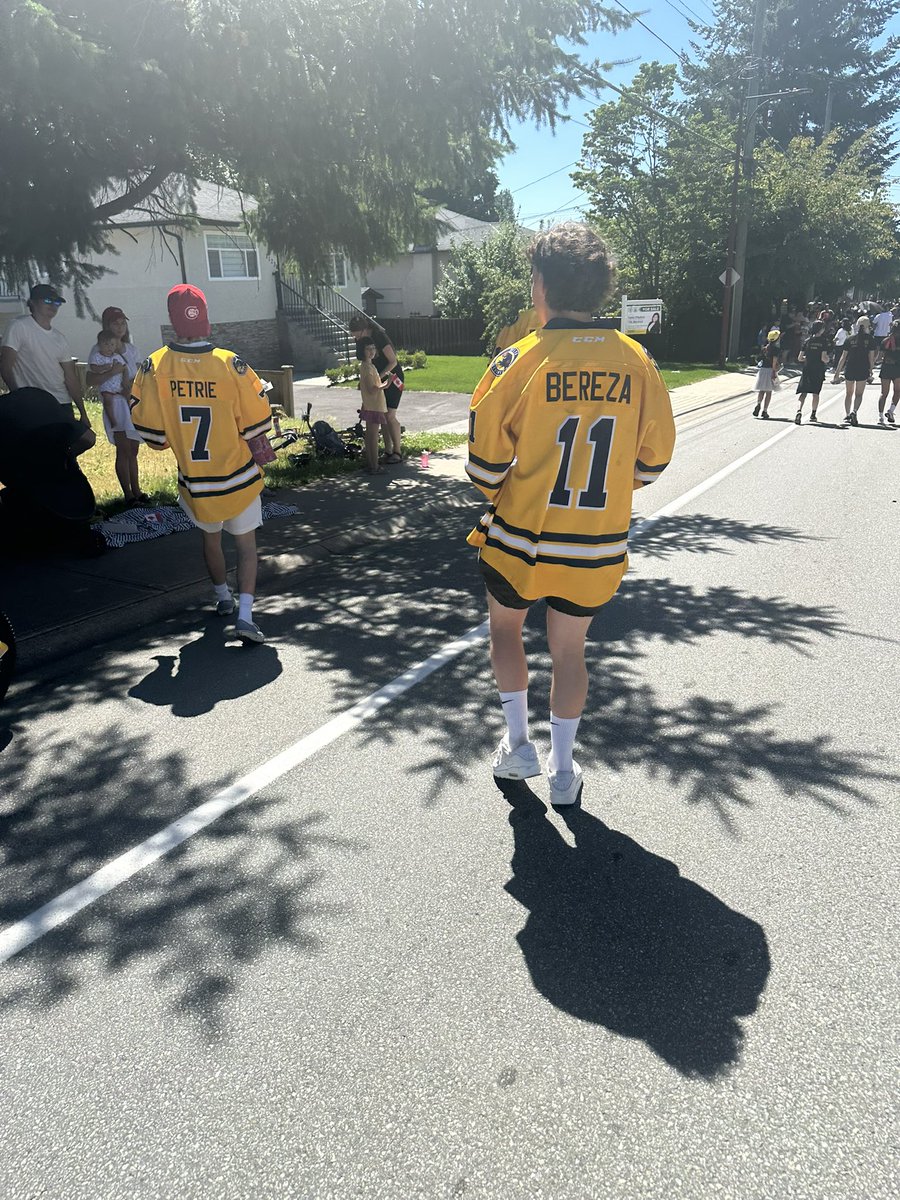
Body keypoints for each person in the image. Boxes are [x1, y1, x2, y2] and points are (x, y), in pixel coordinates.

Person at [466, 222, 675, 807]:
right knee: (569, 651)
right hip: (595, 543)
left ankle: (517, 745)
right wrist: (612, 488)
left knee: (505, 630)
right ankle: (564, 772)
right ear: (601, 290)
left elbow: (484, 467)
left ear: (540, 284)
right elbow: (653, 460)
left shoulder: (517, 360)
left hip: (520, 539)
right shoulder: (637, 361)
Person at [130, 284, 273, 643]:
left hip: (197, 481)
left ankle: (222, 598)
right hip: (237, 476)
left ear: (173, 321)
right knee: (246, 548)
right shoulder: (230, 363)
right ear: (206, 318)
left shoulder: (154, 366)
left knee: (210, 540)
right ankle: (244, 616)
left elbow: (154, 437)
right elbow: (257, 422)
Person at [0, 284, 95, 456]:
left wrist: (82, 410)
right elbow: (6, 365)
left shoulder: (59, 338)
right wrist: (19, 396)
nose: (53, 306)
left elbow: (70, 377)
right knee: (42, 448)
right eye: (48, 301)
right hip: (34, 401)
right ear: (33, 303)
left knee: (87, 438)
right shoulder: (19, 326)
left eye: (57, 303)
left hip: (62, 402)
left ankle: (63, 463)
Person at [89, 328, 145, 502]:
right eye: (115, 322)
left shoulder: (127, 350)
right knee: (123, 448)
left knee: (133, 449)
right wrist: (111, 371)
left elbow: (134, 372)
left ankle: (137, 491)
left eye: (122, 322)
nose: (120, 326)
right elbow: (90, 379)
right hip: (113, 400)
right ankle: (127, 493)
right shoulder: (97, 352)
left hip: (129, 399)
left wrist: (128, 386)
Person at [348, 314, 404, 464]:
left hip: (393, 378)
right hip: (377, 378)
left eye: (356, 335)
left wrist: (378, 377)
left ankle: (397, 452)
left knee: (390, 416)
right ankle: (388, 450)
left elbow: (393, 362)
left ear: (363, 330)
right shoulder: (362, 341)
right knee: (381, 416)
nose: (356, 339)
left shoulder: (379, 336)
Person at [356, 336, 390, 473]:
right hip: (374, 407)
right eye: (368, 349)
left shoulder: (367, 366)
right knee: (373, 437)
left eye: (373, 348)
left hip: (370, 405)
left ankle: (371, 464)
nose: (371, 351)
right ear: (362, 351)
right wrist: (386, 384)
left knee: (370, 436)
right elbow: (371, 389)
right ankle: (374, 466)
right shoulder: (367, 368)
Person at [835, 316, 876, 426]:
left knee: (849, 393)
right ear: (868, 326)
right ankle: (855, 411)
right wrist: (871, 370)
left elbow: (843, 357)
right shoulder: (870, 339)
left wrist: (837, 372)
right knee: (859, 394)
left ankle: (847, 414)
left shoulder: (850, 339)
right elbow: (871, 357)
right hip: (863, 368)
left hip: (850, 367)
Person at [795, 320, 829, 424]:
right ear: (821, 329)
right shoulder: (823, 341)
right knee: (815, 393)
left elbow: (800, 358)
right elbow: (823, 358)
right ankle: (813, 414)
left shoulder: (807, 341)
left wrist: (808, 358)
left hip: (807, 368)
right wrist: (828, 359)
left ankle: (799, 411)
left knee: (803, 392)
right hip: (818, 369)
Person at [876, 319, 900, 426]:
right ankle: (890, 411)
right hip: (898, 368)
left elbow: (879, 358)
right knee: (897, 391)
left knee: (884, 393)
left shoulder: (885, 341)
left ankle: (880, 417)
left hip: (886, 367)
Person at [752, 330, 781, 419]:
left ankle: (758, 404)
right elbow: (774, 361)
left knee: (761, 390)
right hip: (770, 370)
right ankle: (765, 410)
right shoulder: (776, 349)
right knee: (769, 392)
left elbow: (758, 359)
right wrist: (774, 370)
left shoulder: (765, 348)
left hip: (762, 370)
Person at [831, 318, 852, 382]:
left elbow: (836, 339)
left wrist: (832, 341)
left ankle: (836, 370)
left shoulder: (841, 330)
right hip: (848, 346)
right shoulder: (851, 330)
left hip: (840, 346)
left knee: (838, 358)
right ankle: (844, 369)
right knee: (846, 358)